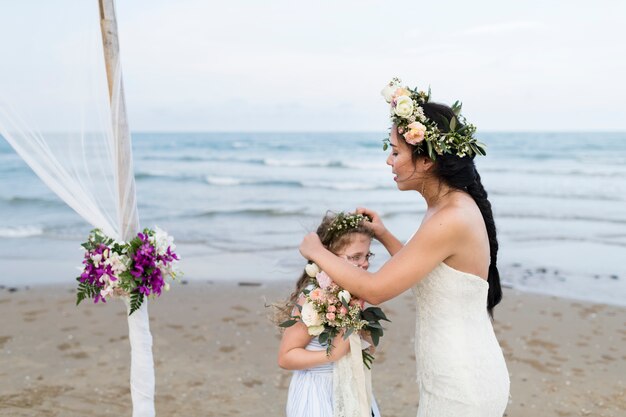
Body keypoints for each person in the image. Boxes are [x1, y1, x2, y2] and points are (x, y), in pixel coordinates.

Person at [299, 79, 510, 416]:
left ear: (426, 160)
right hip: (455, 373)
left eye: (396, 152)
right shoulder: (446, 207)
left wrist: (317, 252)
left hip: (462, 383)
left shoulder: (451, 216)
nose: (389, 161)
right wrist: (382, 234)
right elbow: (429, 271)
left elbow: (377, 289)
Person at [278, 211, 382, 417]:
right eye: (355, 257)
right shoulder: (313, 297)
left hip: (352, 386)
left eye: (367, 255)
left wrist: (366, 338)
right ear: (327, 257)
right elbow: (286, 357)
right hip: (318, 391)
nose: (365, 263)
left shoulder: (355, 293)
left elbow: (364, 350)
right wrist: (331, 355)